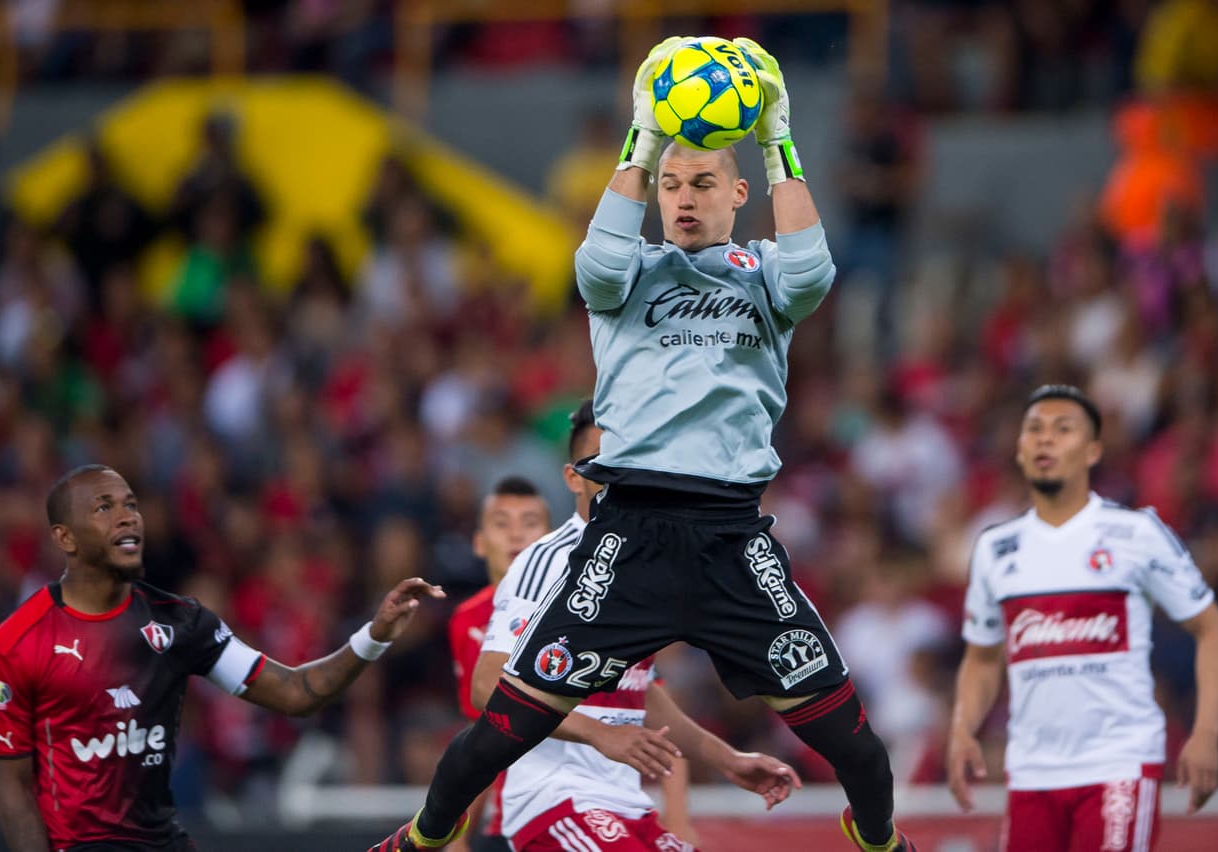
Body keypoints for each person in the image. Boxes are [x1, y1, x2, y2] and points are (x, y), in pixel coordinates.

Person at [371, 36, 914, 852]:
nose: (683, 198)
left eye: (702, 184)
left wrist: (775, 139)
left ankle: (879, 842)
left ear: (738, 193)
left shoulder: (766, 274)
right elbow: (592, 262)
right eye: (669, 185)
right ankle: (419, 840)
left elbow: (813, 272)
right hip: (628, 537)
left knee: (858, 751)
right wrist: (643, 134)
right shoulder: (627, 280)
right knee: (507, 726)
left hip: (734, 540)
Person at [0, 464, 444, 851]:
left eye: (132, 505)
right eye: (105, 507)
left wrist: (374, 635)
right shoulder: (19, 641)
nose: (127, 518)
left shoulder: (182, 623)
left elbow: (297, 693)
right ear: (65, 538)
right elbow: (13, 785)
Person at [471, 400, 800, 851]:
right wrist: (601, 734)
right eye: (598, 464)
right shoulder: (547, 561)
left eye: (624, 462)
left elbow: (638, 688)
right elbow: (488, 685)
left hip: (626, 801)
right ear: (572, 477)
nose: (613, 478)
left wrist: (727, 758)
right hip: (555, 798)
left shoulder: (646, 562)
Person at [947, 385, 1218, 852]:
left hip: (1118, 763)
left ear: (1093, 450)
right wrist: (962, 730)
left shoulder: (1135, 533)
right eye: (1035, 430)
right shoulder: (994, 549)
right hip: (1032, 772)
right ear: (1019, 449)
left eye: (1063, 430)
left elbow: (1213, 629)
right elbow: (982, 659)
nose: (1045, 440)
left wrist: (1205, 732)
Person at [448, 475, 552, 851]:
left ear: (552, 540)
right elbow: (482, 732)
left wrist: (678, 815)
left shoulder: (577, 607)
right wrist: (456, 833)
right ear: (479, 542)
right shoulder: (466, 620)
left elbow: (648, 696)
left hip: (586, 784)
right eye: (501, 523)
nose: (516, 535)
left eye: (529, 523)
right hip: (515, 802)